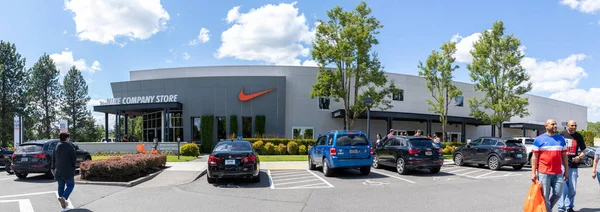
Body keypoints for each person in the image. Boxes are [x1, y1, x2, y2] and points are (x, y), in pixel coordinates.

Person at [531, 119, 569, 212]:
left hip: (558, 172)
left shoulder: (561, 139)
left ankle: (546, 209)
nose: (555, 126)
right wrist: (533, 173)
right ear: (546, 126)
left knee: (558, 194)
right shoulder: (539, 139)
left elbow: (564, 156)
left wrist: (566, 171)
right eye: (552, 124)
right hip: (544, 172)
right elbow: (534, 157)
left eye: (555, 124)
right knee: (545, 196)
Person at [558, 120, 586, 212]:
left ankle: (569, 206)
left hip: (573, 166)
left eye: (575, 126)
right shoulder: (561, 135)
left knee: (572, 189)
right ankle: (561, 208)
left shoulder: (578, 136)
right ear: (567, 126)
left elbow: (583, 152)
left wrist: (579, 157)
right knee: (563, 188)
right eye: (572, 125)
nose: (574, 127)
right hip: (562, 165)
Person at [51, 133, 77, 210]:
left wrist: (52, 168)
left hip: (58, 170)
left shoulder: (56, 147)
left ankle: (63, 205)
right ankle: (64, 198)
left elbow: (53, 158)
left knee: (61, 186)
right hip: (68, 170)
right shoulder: (70, 146)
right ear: (67, 138)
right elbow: (73, 158)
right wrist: (74, 166)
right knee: (70, 185)